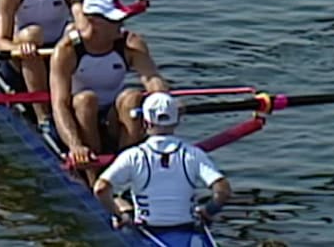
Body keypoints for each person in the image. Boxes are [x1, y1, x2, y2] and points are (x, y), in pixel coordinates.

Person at [49, 0, 169, 183]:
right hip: (80, 114)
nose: (121, 24)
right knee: (86, 100)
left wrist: (165, 101)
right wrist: (75, 146)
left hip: (114, 117)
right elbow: (59, 105)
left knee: (132, 97)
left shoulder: (131, 43)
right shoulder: (67, 50)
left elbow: (152, 79)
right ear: (94, 22)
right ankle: (93, 176)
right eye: (115, 20)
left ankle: (126, 170)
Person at [93, 92, 232, 245]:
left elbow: (101, 189)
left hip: (147, 230)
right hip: (188, 227)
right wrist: (208, 211)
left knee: (119, 200)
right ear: (177, 121)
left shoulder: (133, 156)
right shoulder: (193, 154)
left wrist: (119, 216)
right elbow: (223, 190)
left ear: (145, 123)